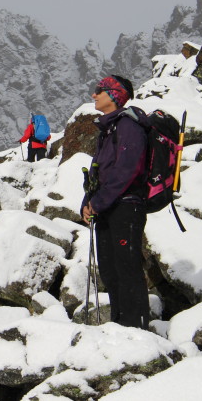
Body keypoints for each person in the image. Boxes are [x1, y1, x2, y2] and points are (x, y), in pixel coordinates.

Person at [81, 75, 150, 330]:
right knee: (110, 270)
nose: (94, 94)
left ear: (114, 94)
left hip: (126, 206)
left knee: (127, 267)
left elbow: (126, 170)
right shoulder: (108, 128)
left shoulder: (128, 126)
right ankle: (120, 328)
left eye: (99, 90)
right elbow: (99, 173)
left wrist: (97, 203)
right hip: (108, 207)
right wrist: (88, 203)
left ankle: (138, 330)